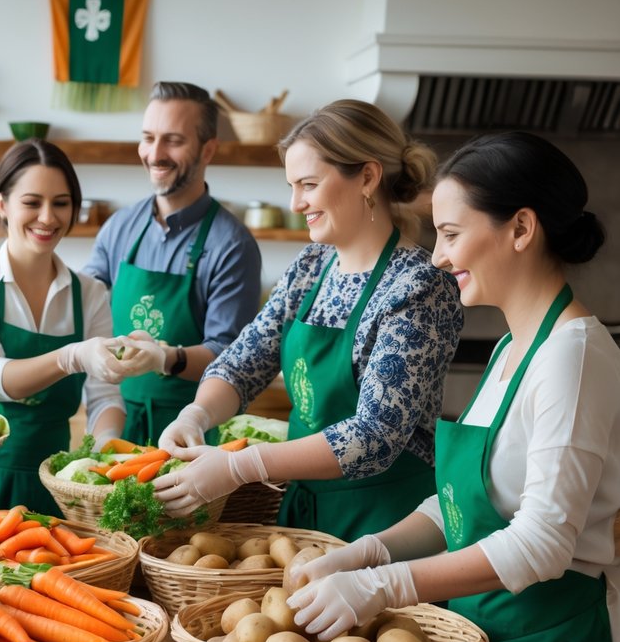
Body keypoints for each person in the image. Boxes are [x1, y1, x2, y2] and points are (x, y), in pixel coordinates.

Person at [287, 132, 620, 642]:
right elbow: (462, 504)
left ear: (521, 228)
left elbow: (543, 544)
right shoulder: (511, 348)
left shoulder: (574, 358)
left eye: (451, 234)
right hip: (480, 639)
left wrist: (387, 584)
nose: (438, 257)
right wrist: (370, 551)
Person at [153, 99, 463, 541]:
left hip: (385, 526)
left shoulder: (419, 287)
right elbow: (243, 363)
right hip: (303, 518)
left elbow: (374, 436)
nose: (297, 203)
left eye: (309, 185)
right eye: (292, 186)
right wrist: (197, 414)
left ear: (368, 177)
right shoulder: (312, 266)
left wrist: (243, 466)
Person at [0, 138, 127, 511]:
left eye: (61, 203)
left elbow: (105, 396)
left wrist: (97, 458)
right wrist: (71, 356)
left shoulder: (89, 293)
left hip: (52, 483)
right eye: (32, 202)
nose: (48, 217)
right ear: (2, 204)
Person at [83, 81, 263, 447]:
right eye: (148, 138)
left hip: (190, 434)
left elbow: (230, 356)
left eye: (173, 140)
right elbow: (83, 307)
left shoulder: (232, 245)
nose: (155, 153)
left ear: (208, 149)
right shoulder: (119, 227)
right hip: (114, 422)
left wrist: (163, 358)